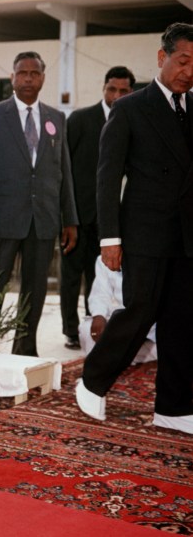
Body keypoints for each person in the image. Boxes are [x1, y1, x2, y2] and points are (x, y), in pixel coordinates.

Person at [76, 23, 193, 433]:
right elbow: (107, 179)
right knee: (139, 311)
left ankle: (174, 408)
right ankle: (92, 381)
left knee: (182, 321)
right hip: (143, 232)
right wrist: (110, 237)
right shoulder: (130, 108)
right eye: (183, 61)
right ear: (162, 58)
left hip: (186, 235)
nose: (189, 71)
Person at [0, 51, 79, 357]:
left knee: (35, 290)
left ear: (42, 78)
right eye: (22, 73)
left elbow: (63, 172)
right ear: (12, 78)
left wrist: (70, 220)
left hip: (42, 221)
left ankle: (24, 353)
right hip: (2, 219)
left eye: (35, 73)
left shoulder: (57, 118)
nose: (28, 78)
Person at [60, 66, 135, 350]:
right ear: (104, 88)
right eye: (112, 89)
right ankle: (69, 330)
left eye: (123, 91)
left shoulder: (131, 121)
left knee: (99, 275)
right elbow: (63, 169)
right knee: (70, 275)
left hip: (109, 220)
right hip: (76, 216)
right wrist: (66, 217)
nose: (116, 95)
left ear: (131, 91)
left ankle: (93, 324)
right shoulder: (80, 119)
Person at [78, 256, 156, 364]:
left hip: (152, 327)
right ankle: (99, 370)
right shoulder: (107, 256)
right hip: (122, 322)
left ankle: (115, 359)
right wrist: (99, 316)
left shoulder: (158, 256)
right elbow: (100, 294)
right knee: (87, 329)